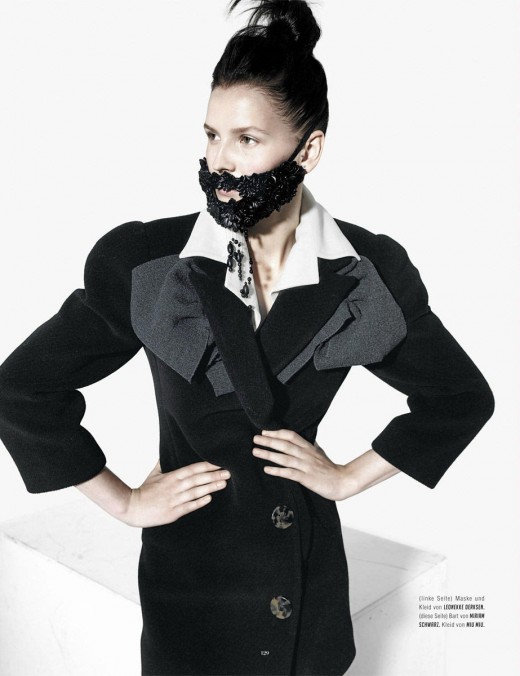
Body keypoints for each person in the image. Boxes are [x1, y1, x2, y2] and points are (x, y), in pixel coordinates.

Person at [0, 1, 495, 675]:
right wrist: (123, 501)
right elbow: (23, 389)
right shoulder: (148, 263)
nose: (219, 161)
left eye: (247, 140)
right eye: (211, 135)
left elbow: (459, 397)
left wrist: (348, 477)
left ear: (309, 149)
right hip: (188, 582)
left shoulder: (364, 272)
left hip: (303, 582)